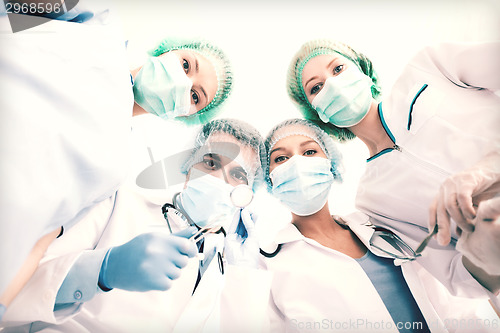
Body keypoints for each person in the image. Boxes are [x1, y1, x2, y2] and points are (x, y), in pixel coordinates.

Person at [0, 1, 233, 317]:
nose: (183, 82)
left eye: (195, 96)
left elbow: (39, 240)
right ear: (167, 51)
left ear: (186, 116)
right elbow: (13, 16)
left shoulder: (113, 169)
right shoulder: (93, 24)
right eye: (186, 65)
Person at [0, 118, 271, 333]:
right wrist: (103, 270)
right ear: (188, 166)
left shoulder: (235, 264)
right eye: (210, 162)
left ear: (249, 192)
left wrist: (243, 275)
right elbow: (18, 285)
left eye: (238, 175)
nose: (219, 179)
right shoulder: (118, 201)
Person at [285, 40, 500, 299]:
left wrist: (490, 167)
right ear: (317, 114)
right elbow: (459, 276)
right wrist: (486, 248)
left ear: (363, 70)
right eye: (316, 87)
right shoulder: (373, 200)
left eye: (338, 68)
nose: (332, 84)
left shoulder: (430, 67)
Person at [259, 118, 496, 333]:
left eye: (310, 151)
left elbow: (452, 308)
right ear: (269, 179)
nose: (297, 164)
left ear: (331, 163)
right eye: (280, 158)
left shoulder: (380, 225)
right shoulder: (270, 266)